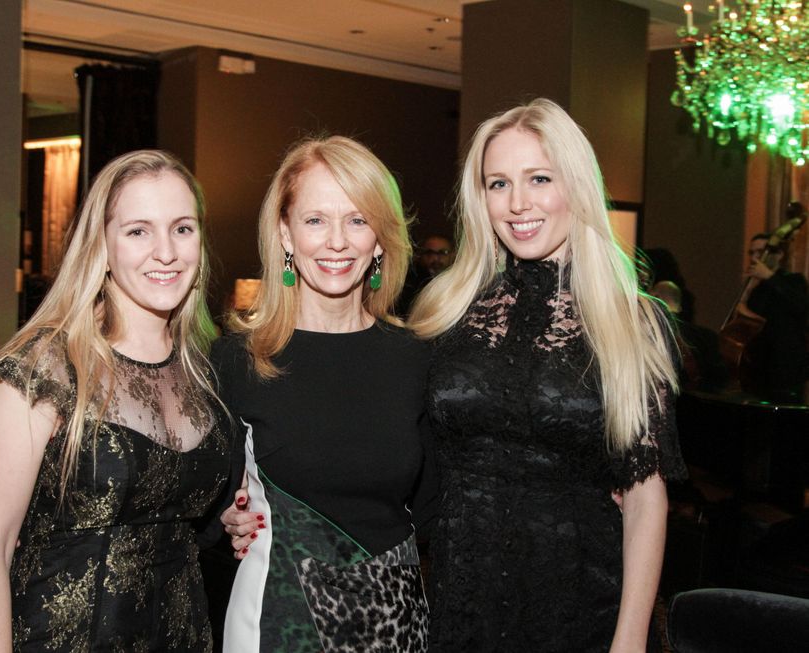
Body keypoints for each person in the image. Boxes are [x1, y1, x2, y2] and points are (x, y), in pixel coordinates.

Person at [409, 98, 686, 652]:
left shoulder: (632, 322)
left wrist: (630, 639)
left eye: (539, 178)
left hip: (581, 604)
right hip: (460, 597)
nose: (518, 203)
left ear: (576, 186)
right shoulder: (445, 309)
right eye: (498, 183)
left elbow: (644, 499)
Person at [0, 150, 231, 652]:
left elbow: (190, 506)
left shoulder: (204, 370)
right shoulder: (43, 371)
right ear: (101, 246)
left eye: (182, 228)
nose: (166, 252)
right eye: (138, 231)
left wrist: (233, 515)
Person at [214, 136, 436, 652]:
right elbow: (200, 500)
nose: (337, 242)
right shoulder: (237, 360)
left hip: (396, 624)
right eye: (315, 220)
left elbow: (441, 507)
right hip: (278, 622)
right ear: (285, 233)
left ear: (379, 239)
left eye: (357, 220)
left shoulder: (417, 359)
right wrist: (226, 515)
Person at [738, 228, 808, 404]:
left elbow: (801, 305)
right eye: (752, 252)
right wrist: (747, 292)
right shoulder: (757, 289)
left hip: (787, 366)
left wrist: (769, 276)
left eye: (761, 252)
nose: (755, 257)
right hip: (760, 365)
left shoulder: (793, 280)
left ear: (779, 255)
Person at [398, 234, 454, 315]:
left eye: (442, 252)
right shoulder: (409, 286)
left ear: (453, 255)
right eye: (429, 253)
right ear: (420, 256)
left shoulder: (459, 282)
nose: (435, 258)